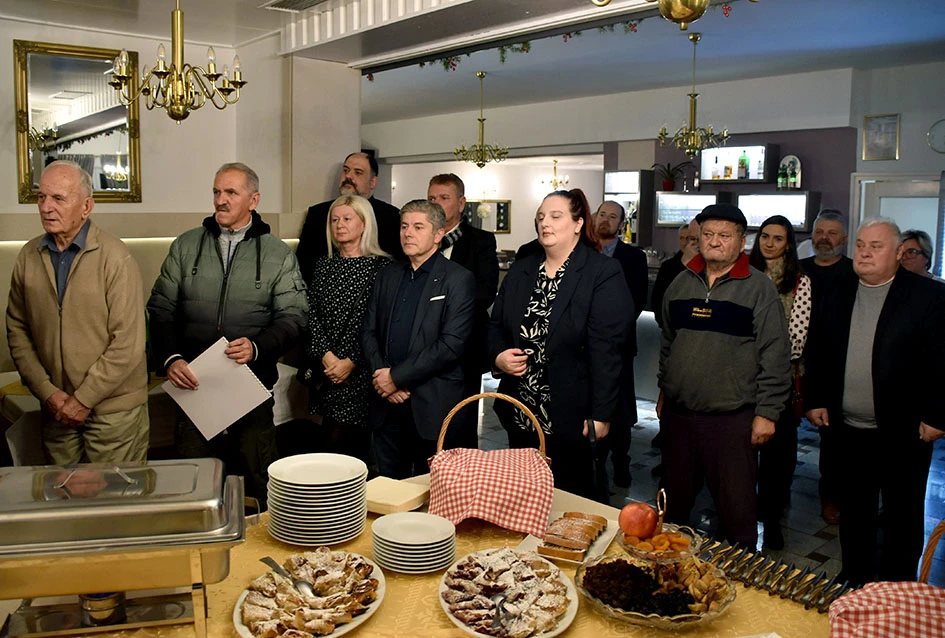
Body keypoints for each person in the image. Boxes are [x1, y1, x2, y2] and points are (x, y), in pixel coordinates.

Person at [147, 163, 307, 507]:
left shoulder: (278, 254)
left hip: (249, 387)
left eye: (231, 192)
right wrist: (170, 357)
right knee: (193, 481)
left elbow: (294, 317)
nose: (221, 200)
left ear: (254, 199)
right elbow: (160, 308)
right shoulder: (186, 245)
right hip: (194, 386)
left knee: (259, 477)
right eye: (217, 192)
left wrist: (258, 346)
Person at [804, 218, 945, 586]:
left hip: (905, 431)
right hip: (847, 429)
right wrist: (816, 398)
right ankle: (855, 580)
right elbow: (818, 350)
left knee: (902, 516)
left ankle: (896, 588)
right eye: (862, 245)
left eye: (876, 246)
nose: (865, 252)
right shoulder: (837, 289)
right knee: (855, 513)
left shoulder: (929, 296)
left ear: (899, 253)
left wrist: (937, 415)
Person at [658, 203, 791, 546]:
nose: (715, 242)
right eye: (708, 234)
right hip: (679, 416)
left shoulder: (759, 289)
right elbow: (669, 343)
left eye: (724, 235)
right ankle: (669, 579)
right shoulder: (680, 283)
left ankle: (741, 587)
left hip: (732, 420)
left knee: (736, 514)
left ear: (742, 241)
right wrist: (663, 390)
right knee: (672, 510)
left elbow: (776, 356)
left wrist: (767, 413)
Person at [488, 189, 633, 500]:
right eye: (541, 217)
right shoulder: (522, 269)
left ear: (578, 223)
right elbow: (496, 325)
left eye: (556, 217)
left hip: (573, 414)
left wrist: (602, 413)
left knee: (572, 502)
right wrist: (499, 356)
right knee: (526, 499)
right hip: (521, 409)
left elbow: (607, 350)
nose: (546, 223)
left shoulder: (602, 272)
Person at [6, 160, 149, 465]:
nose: (46, 207)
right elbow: (17, 330)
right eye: (41, 197)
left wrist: (82, 399)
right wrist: (48, 393)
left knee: (116, 503)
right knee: (62, 504)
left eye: (58, 198)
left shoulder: (116, 258)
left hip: (114, 413)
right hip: (56, 409)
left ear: (86, 207)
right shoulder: (28, 256)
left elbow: (127, 344)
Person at [360, 199, 476, 479]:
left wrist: (397, 378)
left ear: (438, 235)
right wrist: (383, 379)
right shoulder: (387, 274)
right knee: (390, 486)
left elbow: (450, 345)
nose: (407, 233)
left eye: (418, 227)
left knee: (433, 492)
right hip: (386, 403)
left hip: (431, 405)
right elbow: (368, 331)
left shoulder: (458, 279)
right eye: (404, 226)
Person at [304, 195, 391, 463]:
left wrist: (351, 361)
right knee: (329, 446)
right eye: (334, 220)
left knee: (348, 447)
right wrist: (327, 356)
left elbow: (376, 323)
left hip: (362, 373)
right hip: (327, 370)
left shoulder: (383, 268)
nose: (339, 225)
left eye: (347, 219)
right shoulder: (323, 265)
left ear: (364, 224)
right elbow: (311, 316)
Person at [748, 215, 812, 550]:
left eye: (778, 238)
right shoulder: (742, 273)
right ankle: (738, 518)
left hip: (779, 383)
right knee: (738, 458)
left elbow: (795, 341)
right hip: (740, 383)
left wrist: (754, 353)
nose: (770, 244)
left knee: (776, 461)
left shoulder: (799, 282)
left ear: (789, 244)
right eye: (765, 236)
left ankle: (773, 522)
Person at [427, 174, 499, 446]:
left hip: (465, 347)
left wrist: (442, 313)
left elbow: (485, 292)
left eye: (444, 198)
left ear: (461, 203)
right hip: (423, 346)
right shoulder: (421, 238)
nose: (436, 204)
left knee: (462, 422)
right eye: (431, 198)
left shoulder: (480, 241)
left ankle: (462, 480)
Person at [799, 209, 856, 526]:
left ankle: (831, 498)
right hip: (797, 365)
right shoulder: (800, 270)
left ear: (844, 239)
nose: (825, 238)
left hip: (837, 367)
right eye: (820, 232)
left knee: (835, 443)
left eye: (832, 233)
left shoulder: (854, 274)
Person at [593, 200, 648, 488]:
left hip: (621, 344)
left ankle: (621, 461)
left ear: (621, 224)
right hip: (588, 347)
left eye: (612, 216)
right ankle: (597, 463)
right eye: (602, 214)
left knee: (621, 409)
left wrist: (609, 324)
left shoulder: (633, 257)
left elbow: (637, 302)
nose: (605, 219)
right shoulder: (585, 251)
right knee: (595, 406)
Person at [296, 152, 403, 282]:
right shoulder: (318, 214)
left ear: (373, 182)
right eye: (346, 170)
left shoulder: (391, 217)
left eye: (358, 172)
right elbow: (303, 264)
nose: (348, 176)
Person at [651, 223, 693, 329]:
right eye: (681, 238)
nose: (685, 242)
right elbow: (657, 300)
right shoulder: (668, 267)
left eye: (689, 238)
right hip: (671, 329)